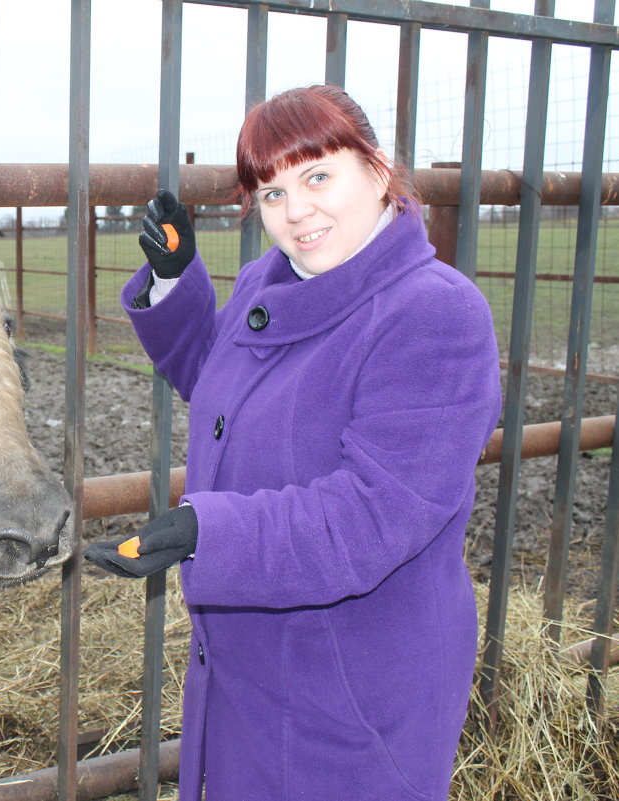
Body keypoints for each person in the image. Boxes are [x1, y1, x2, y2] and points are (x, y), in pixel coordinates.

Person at [84, 85, 502, 801]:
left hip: (351, 691)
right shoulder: (267, 282)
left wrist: (206, 531)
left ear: (377, 170)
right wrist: (175, 280)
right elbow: (225, 390)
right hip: (251, 672)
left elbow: (372, 517)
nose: (296, 211)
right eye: (272, 193)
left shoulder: (435, 314)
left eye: (317, 176)